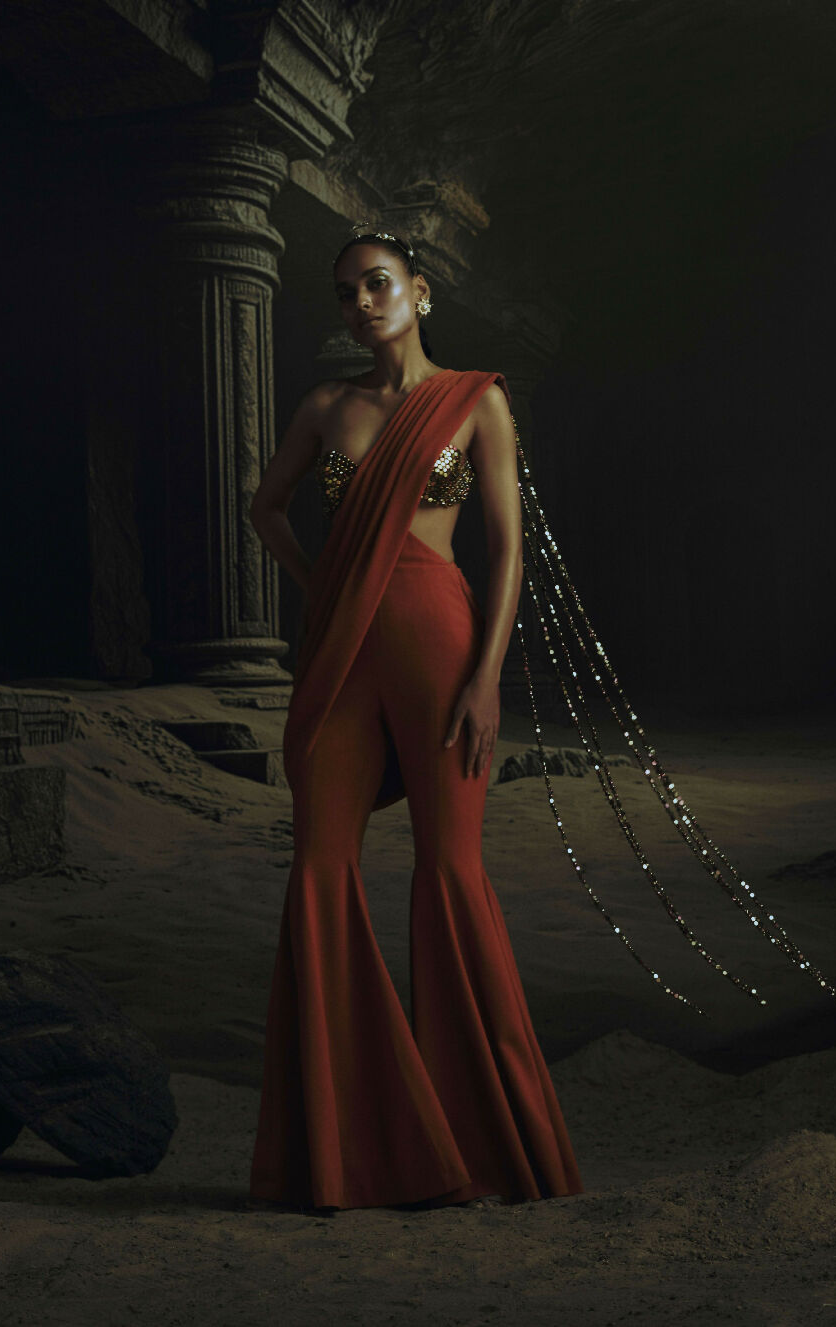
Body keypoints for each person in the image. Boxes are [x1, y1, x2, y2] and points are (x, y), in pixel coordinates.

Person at [245, 226, 585, 1212]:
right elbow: (265, 507)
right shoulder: (324, 408)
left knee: (450, 869)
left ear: (422, 293)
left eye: (378, 284)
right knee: (319, 865)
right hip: (340, 653)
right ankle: (342, 1151)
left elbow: (507, 549)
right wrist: (323, 588)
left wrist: (487, 680)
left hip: (441, 640)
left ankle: (485, 1141)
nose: (361, 303)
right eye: (346, 291)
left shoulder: (476, 400)